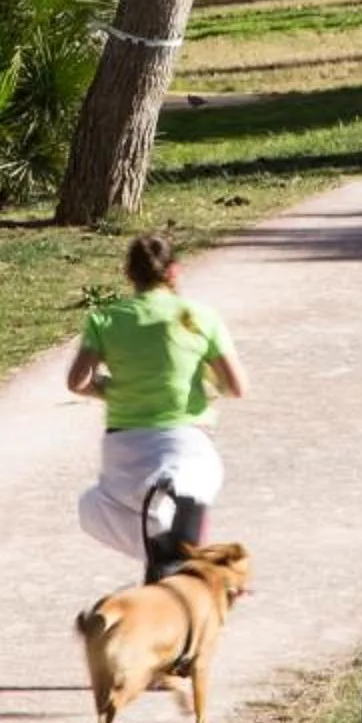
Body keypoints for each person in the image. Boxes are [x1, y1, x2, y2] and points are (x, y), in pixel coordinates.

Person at [69, 234, 247, 581]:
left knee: (95, 508)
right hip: (183, 441)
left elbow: (78, 381)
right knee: (200, 479)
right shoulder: (198, 317)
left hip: (122, 448)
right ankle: (179, 554)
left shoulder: (105, 319)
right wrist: (202, 385)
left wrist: (115, 391)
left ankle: (164, 550)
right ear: (174, 272)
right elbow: (236, 386)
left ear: (128, 274)